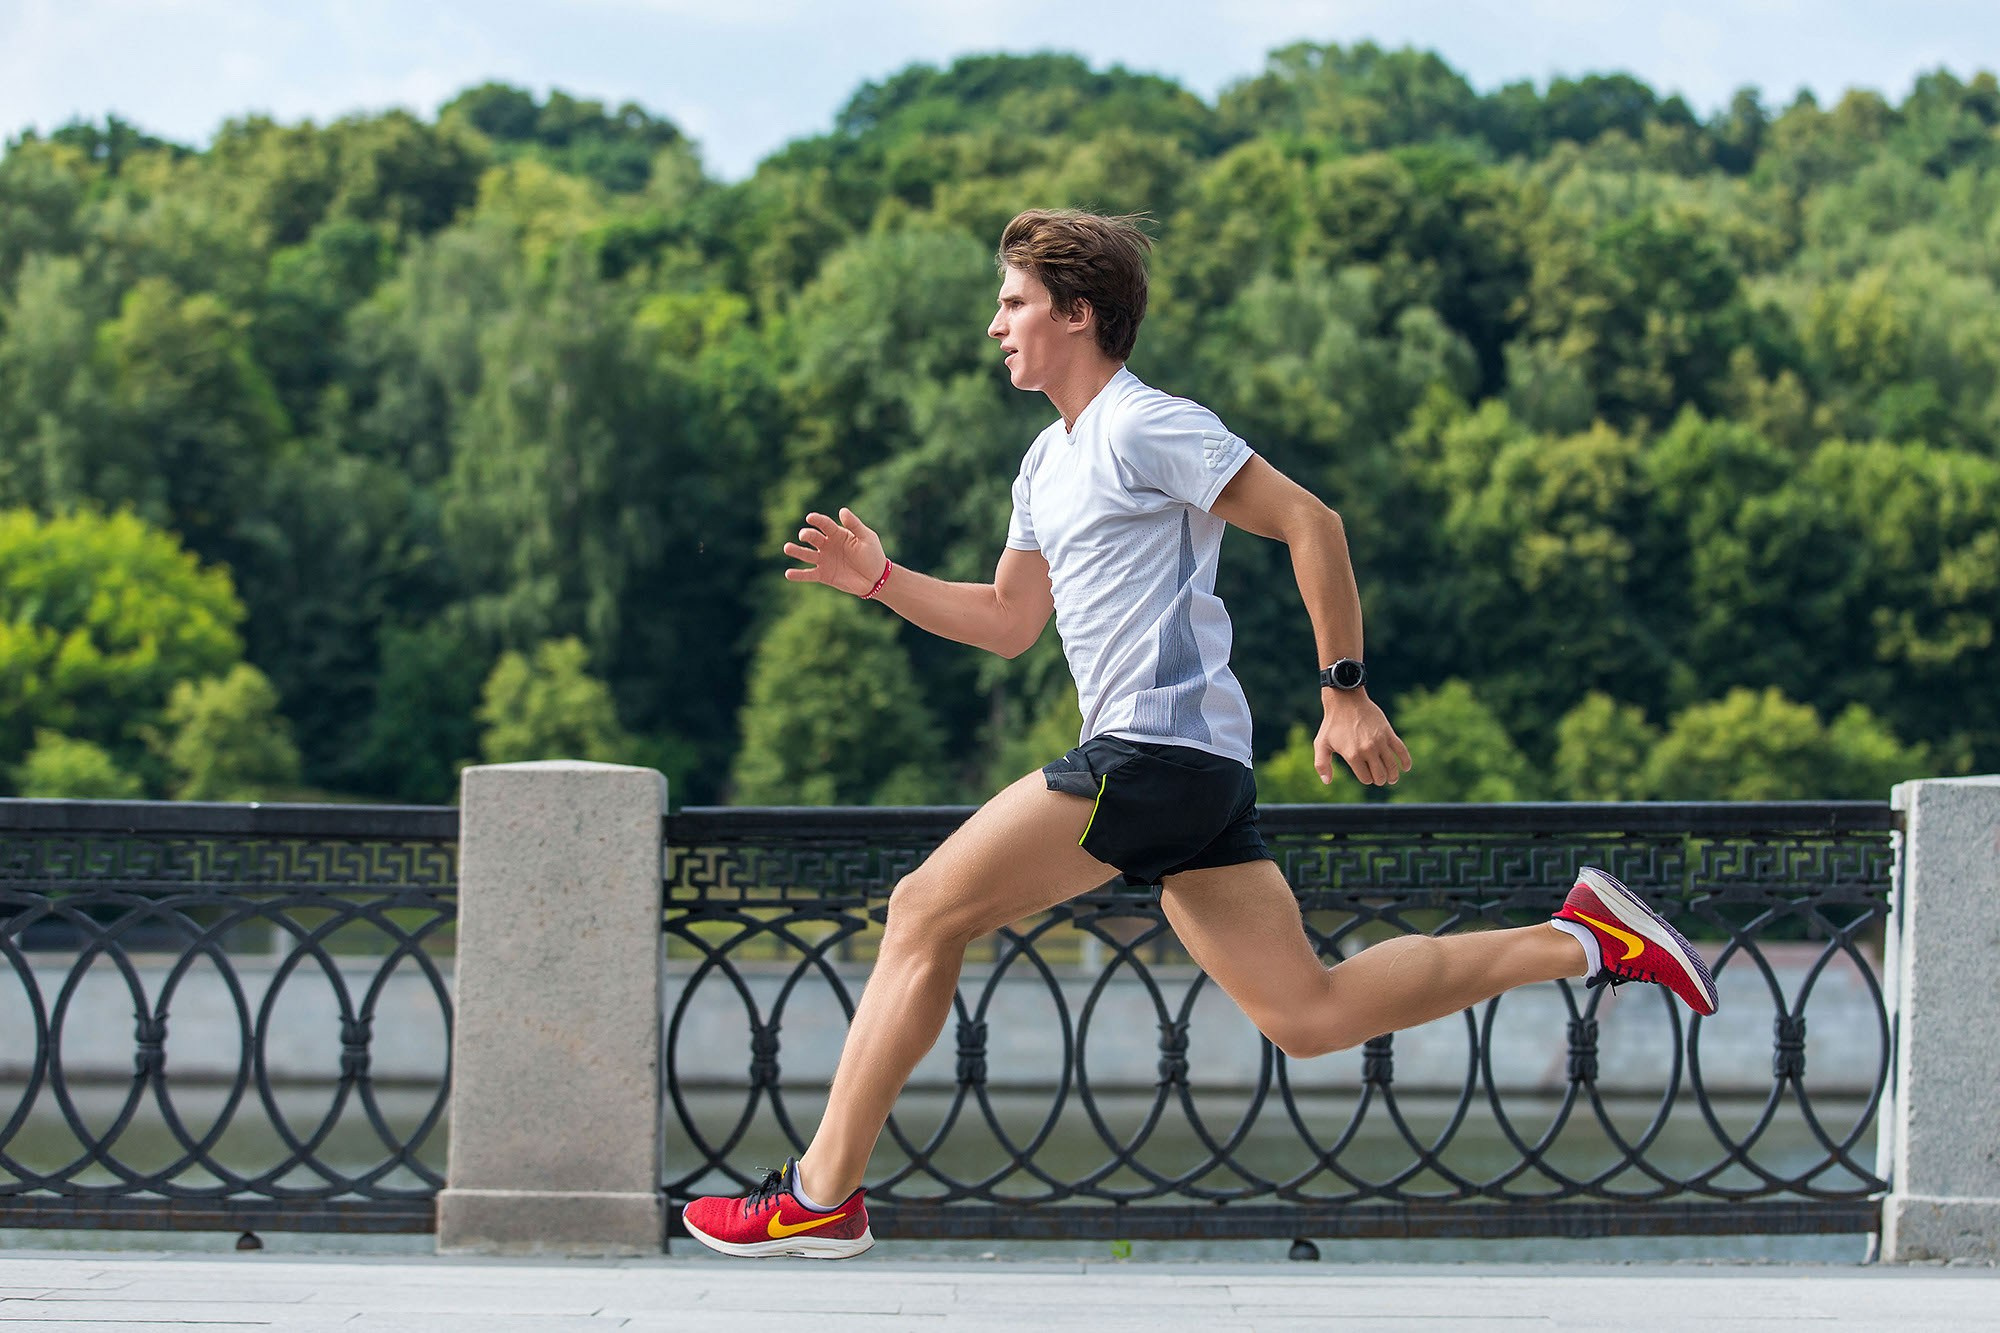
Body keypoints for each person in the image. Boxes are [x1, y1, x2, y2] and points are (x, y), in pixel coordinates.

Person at [681, 209, 1719, 1260]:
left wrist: (1343, 690)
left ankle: (820, 1193)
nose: (994, 324)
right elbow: (1006, 623)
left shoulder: (1148, 424)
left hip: (1152, 753)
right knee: (1308, 1014)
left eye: (1013, 302)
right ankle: (1584, 938)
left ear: (1076, 313)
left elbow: (1310, 521)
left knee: (920, 910)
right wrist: (882, 582)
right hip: (1188, 775)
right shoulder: (1044, 462)